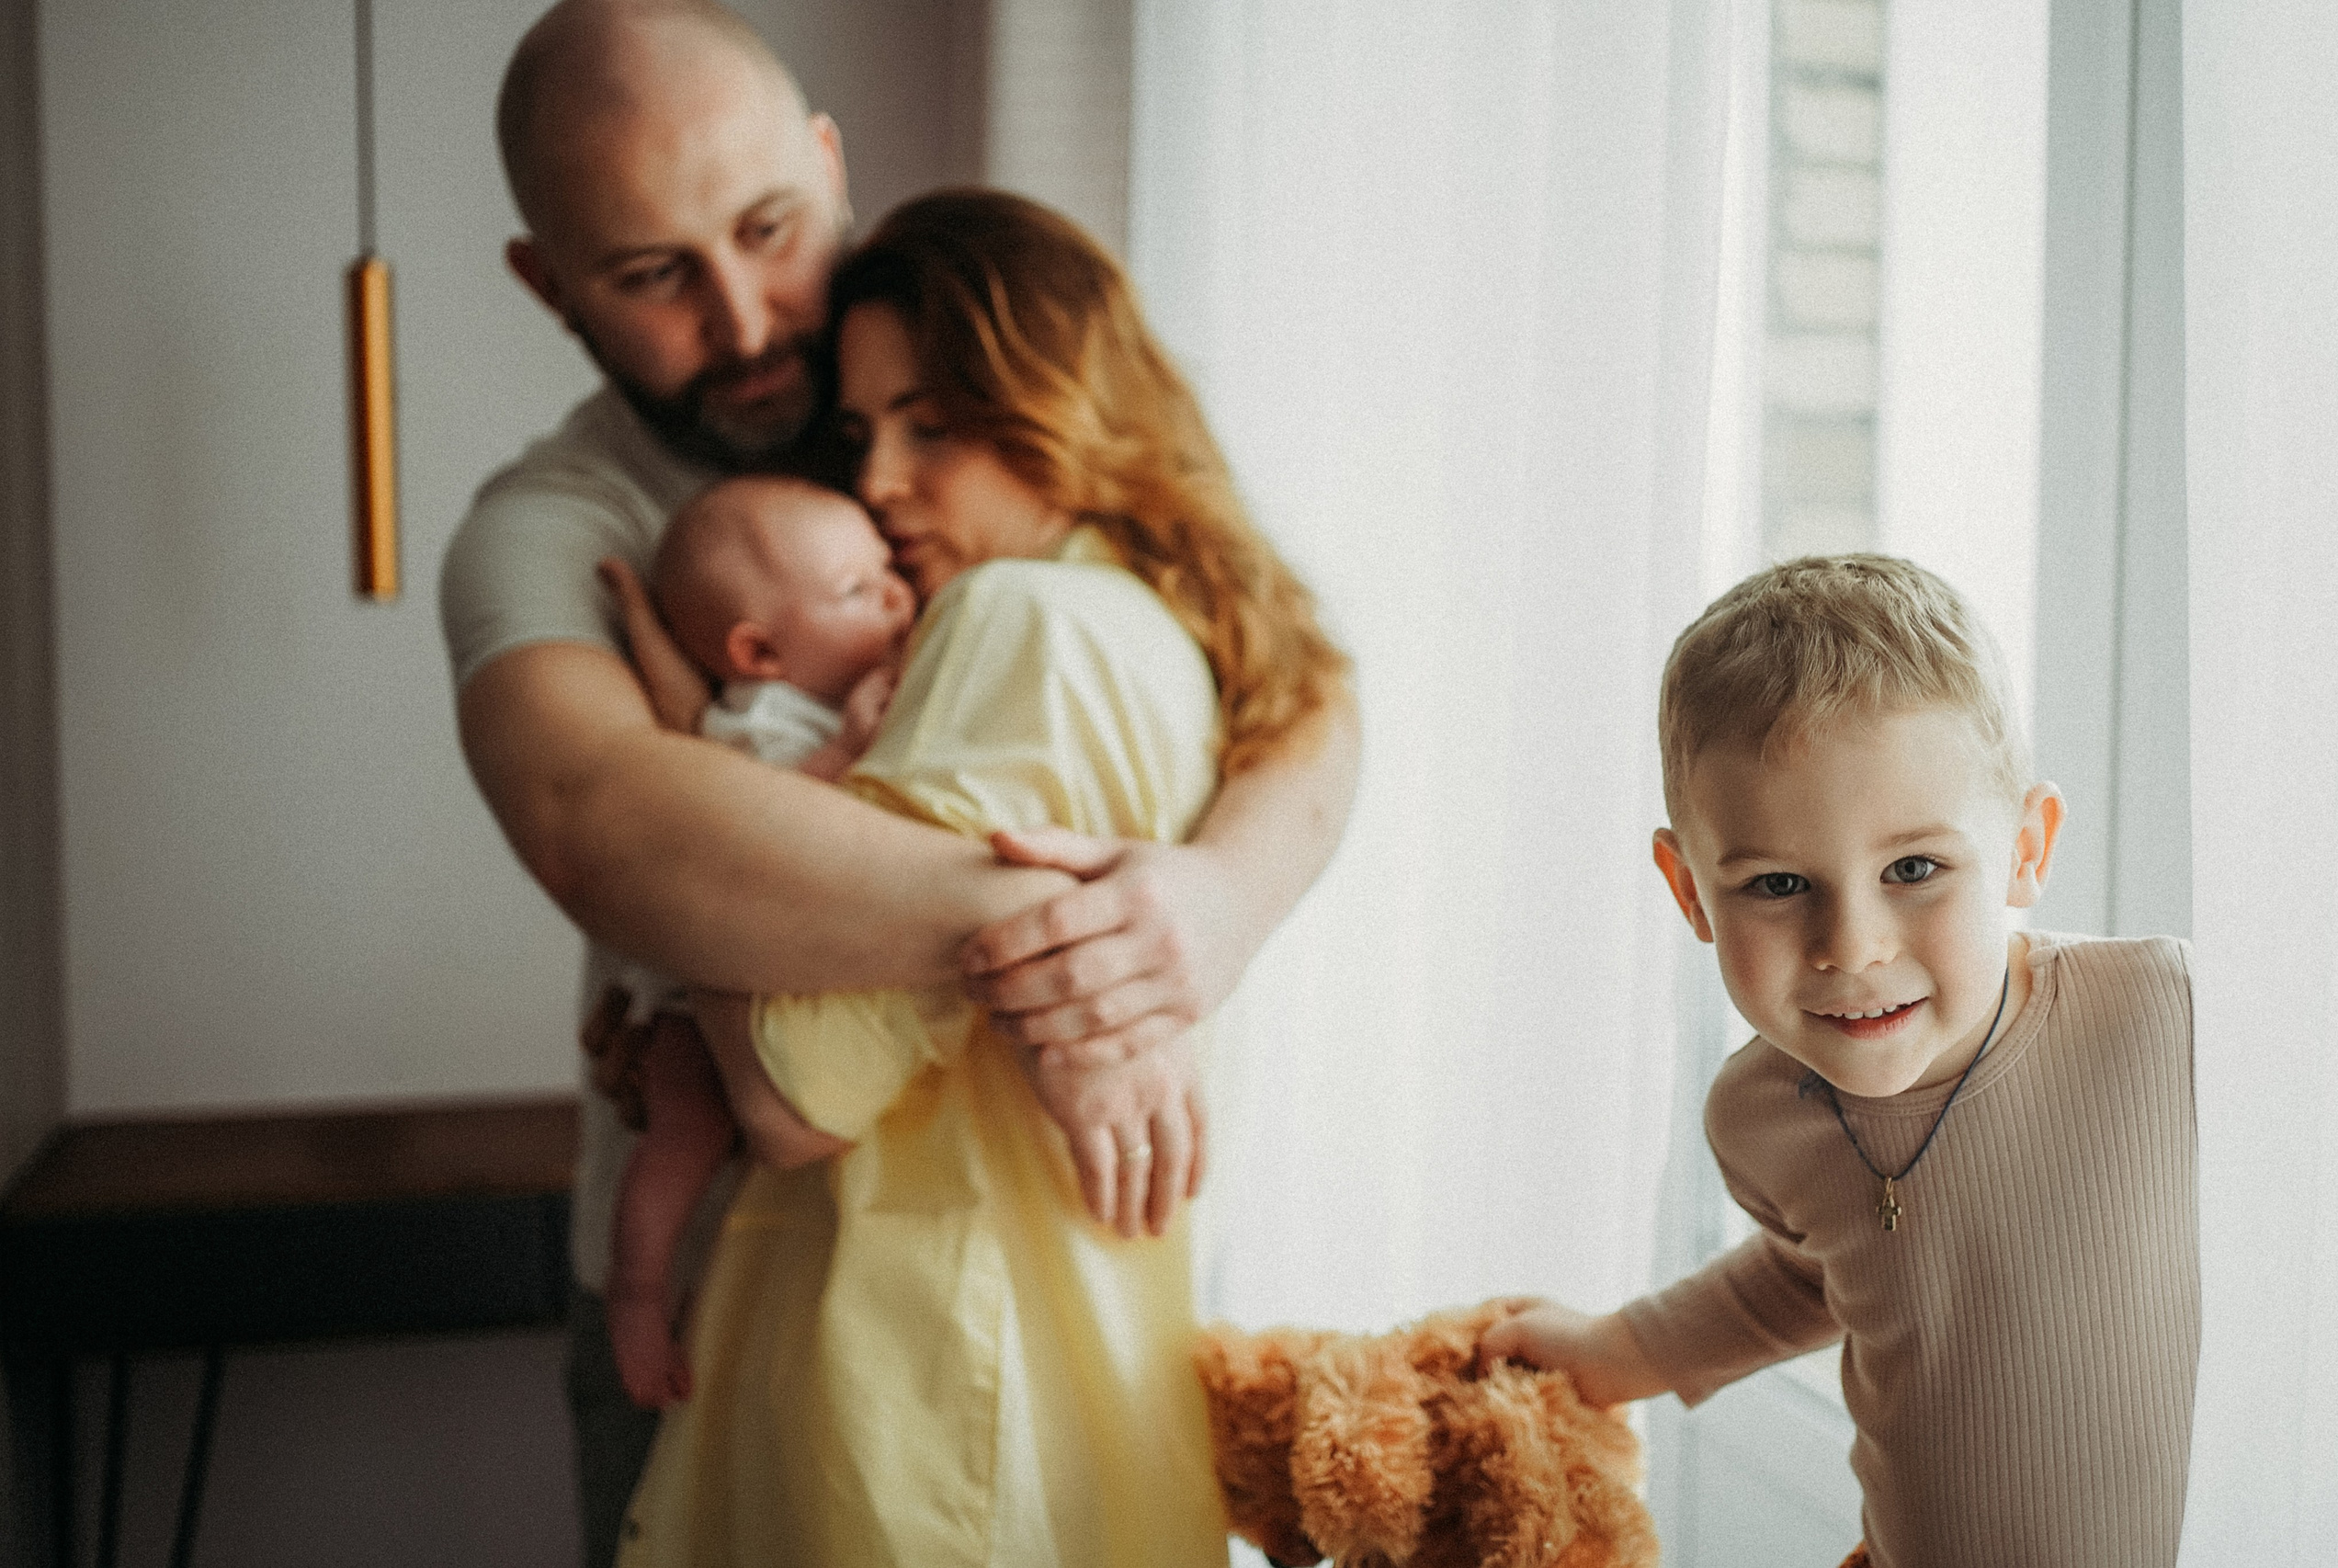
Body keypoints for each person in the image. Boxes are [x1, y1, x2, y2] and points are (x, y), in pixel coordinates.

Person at [439, 4, 1360, 1562]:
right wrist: (1071, 948)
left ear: (827, 162)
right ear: (549, 284)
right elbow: (607, 824)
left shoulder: (1009, 432)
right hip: (707, 1271)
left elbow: (1301, 696)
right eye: (655, 275)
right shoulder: (549, 527)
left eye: (765, 227)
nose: (741, 318)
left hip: (997, 1283)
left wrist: (1210, 904)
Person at [1481, 556, 2196, 1567]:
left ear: (2027, 847)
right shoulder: (1760, 1115)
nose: (1849, 945)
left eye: (1913, 868)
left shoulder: (2165, 1021)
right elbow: (1817, 1276)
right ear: (1689, 892)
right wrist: (1619, 1351)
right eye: (1777, 882)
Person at [587, 474, 913, 1410]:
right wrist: (847, 753)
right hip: (698, 997)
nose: (895, 597)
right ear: (760, 650)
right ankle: (638, 1294)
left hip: (782, 987)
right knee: (684, 1136)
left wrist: (641, 617)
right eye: (859, 591)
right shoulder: (772, 724)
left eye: (888, 573)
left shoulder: (782, 698)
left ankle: (707, 1305)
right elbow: (764, 824)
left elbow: (675, 698)